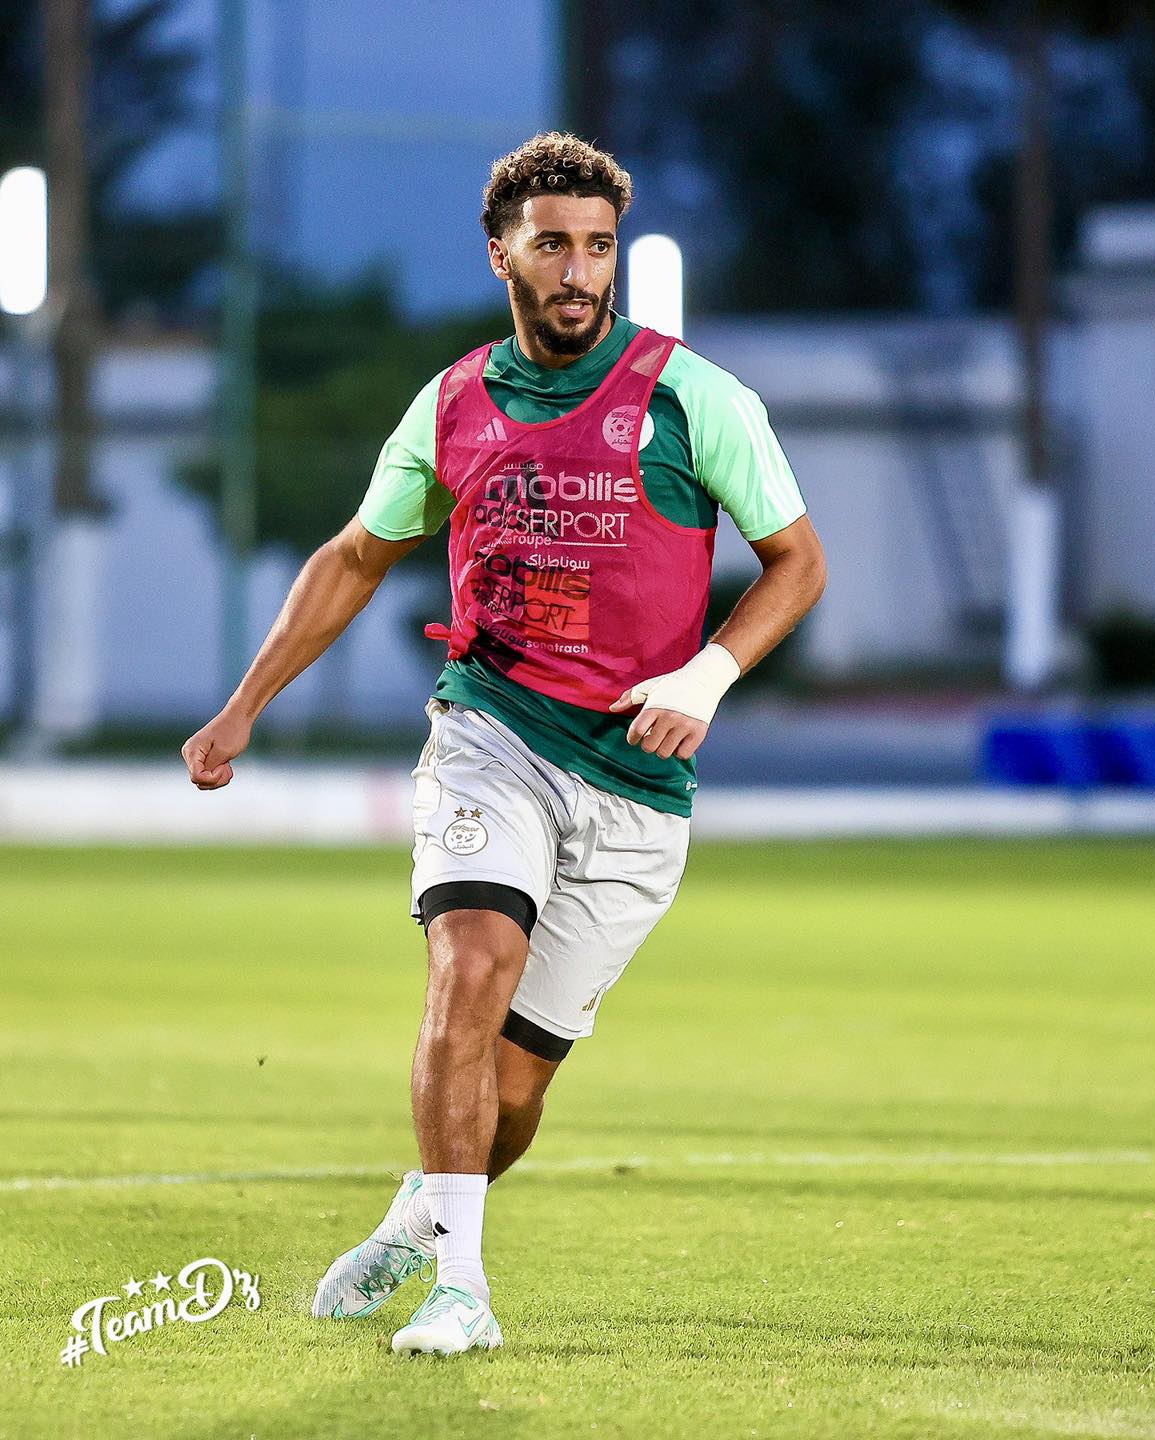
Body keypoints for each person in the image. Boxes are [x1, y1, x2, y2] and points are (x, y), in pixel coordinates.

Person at [181, 132, 826, 1358]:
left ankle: (419, 1218)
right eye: (553, 246)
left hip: (638, 780)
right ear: (501, 256)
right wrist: (243, 704)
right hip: (492, 731)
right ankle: (463, 1290)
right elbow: (357, 555)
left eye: (598, 247)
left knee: (515, 1091)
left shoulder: (696, 396)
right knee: (469, 967)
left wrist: (706, 676)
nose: (579, 271)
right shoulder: (455, 403)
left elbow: (797, 562)